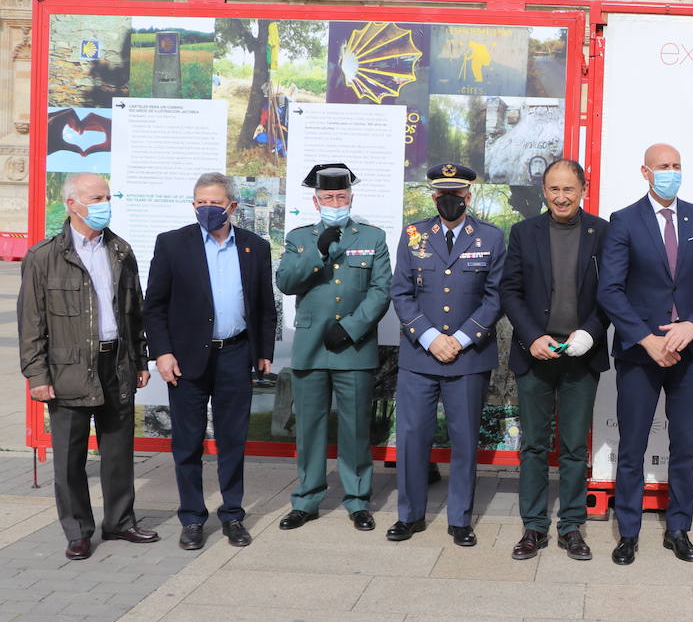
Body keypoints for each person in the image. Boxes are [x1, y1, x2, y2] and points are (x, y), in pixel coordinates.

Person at [597, 142, 693, 565]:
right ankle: (629, 532)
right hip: (641, 354)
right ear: (645, 172)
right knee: (632, 445)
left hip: (689, 352)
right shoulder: (624, 221)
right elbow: (610, 291)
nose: (671, 172)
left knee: (685, 445)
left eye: (676, 165)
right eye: (663, 166)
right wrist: (647, 340)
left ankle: (679, 529)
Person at [18, 173, 157, 560]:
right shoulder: (44, 256)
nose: (104, 204)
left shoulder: (120, 251)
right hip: (68, 368)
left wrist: (140, 358)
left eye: (107, 197)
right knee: (69, 458)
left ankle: (120, 522)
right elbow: (31, 322)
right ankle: (78, 531)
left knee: (118, 451)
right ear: (72, 204)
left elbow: (135, 312)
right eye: (96, 198)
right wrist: (37, 375)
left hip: (117, 363)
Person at [144, 172, 276, 551]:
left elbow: (265, 307)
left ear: (232, 206)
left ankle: (233, 515)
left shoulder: (254, 246)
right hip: (185, 360)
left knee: (233, 440)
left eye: (214, 203)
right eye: (200, 202)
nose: (207, 208)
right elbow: (153, 307)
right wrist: (162, 353)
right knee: (187, 443)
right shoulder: (172, 244)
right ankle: (192, 518)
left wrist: (263, 352)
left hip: (235, 353)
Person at [387, 162, 505, 544]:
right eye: (443, 196)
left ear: (467, 197)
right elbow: (401, 292)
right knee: (411, 437)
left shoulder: (490, 237)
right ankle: (410, 515)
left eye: (456, 196)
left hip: (469, 357)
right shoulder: (414, 234)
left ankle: (460, 519)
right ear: (434, 197)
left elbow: (495, 296)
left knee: (465, 440)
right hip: (420, 356)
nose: (449, 201)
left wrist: (463, 338)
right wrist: (430, 336)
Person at [500, 159, 608, 561]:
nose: (561, 197)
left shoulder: (603, 232)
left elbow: (611, 293)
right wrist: (532, 338)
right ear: (544, 191)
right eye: (553, 189)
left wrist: (589, 334)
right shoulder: (524, 233)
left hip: (582, 355)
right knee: (533, 445)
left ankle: (572, 527)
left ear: (583, 189)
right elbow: (510, 291)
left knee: (575, 447)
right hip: (536, 355)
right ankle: (533, 528)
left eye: (569, 189)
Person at [274, 164, 391, 533]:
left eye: (341, 197)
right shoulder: (299, 238)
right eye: (328, 198)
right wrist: (317, 254)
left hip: (353, 348)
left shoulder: (372, 237)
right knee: (309, 428)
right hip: (311, 347)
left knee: (356, 429)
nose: (335, 203)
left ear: (350, 199)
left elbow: (381, 290)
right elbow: (286, 282)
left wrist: (352, 328)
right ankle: (307, 500)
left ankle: (357, 500)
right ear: (316, 201)